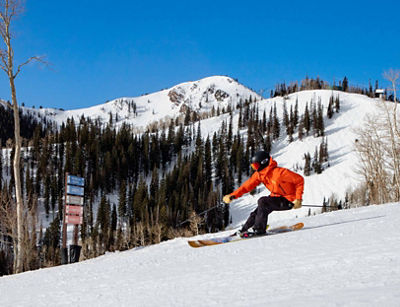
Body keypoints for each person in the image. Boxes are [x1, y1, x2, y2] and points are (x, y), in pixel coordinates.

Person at [223, 150, 304, 236]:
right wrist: (233, 195)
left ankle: (259, 230)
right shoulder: (260, 174)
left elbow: (299, 180)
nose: (255, 168)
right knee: (257, 212)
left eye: (256, 165)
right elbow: (247, 186)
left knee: (263, 201)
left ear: (263, 162)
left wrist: (298, 199)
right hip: (275, 198)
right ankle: (244, 230)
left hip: (289, 201)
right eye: (254, 166)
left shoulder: (280, 173)